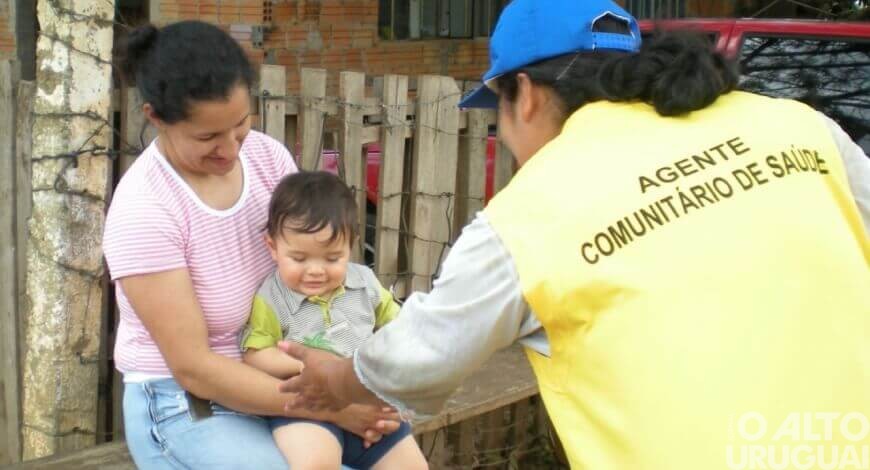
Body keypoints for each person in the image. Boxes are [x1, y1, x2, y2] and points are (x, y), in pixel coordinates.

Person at [273, 0, 870, 468]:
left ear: (525, 96)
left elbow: (422, 357)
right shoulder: (801, 127)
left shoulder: (532, 214)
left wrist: (340, 379)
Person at [103, 21, 400, 469]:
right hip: (187, 403)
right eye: (207, 138)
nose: (230, 150)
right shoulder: (144, 208)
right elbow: (193, 368)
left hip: (285, 379)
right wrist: (334, 407)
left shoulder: (266, 158)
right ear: (155, 117)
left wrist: (344, 377)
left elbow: (310, 269)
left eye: (239, 126)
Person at [240, 171, 427, 470]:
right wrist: (312, 367)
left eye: (331, 258)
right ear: (273, 247)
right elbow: (255, 355)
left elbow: (400, 325)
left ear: (350, 245)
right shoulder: (272, 297)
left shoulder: (364, 283)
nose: (315, 270)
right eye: (299, 259)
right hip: (307, 407)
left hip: (366, 398)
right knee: (316, 464)